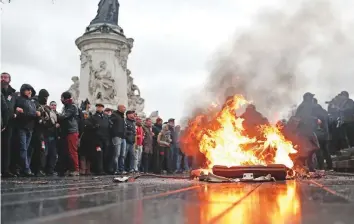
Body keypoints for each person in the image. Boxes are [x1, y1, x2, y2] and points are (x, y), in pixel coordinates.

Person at [14, 84, 40, 176]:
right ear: (23, 91)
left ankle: (24, 168)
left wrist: (37, 114)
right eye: (27, 90)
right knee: (23, 148)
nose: (30, 91)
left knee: (27, 149)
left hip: (30, 128)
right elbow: (19, 113)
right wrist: (33, 114)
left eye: (30, 90)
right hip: (22, 127)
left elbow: (30, 114)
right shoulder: (19, 100)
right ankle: (26, 168)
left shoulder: (32, 102)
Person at [58, 91, 80, 176]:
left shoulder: (72, 107)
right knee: (67, 151)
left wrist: (57, 116)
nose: (61, 100)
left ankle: (76, 169)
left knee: (72, 151)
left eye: (62, 98)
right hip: (66, 131)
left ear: (65, 98)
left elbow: (64, 116)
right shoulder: (65, 107)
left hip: (72, 131)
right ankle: (70, 168)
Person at [1, 72, 17, 177]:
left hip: (9, 123)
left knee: (6, 147)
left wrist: (14, 113)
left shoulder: (13, 93)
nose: (2, 79)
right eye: (1, 77)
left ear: (9, 80)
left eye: (5, 77)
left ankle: (5, 169)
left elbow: (12, 106)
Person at [313, 98, 333, 170]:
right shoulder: (324, 111)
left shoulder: (314, 112)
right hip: (326, 135)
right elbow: (330, 122)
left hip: (319, 134)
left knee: (318, 151)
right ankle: (330, 167)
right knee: (326, 151)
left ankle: (321, 168)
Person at [91, 103, 110, 174]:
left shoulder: (106, 116)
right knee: (99, 154)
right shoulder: (93, 117)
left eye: (100, 107)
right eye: (98, 107)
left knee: (106, 154)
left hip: (105, 138)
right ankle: (99, 170)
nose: (99, 108)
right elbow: (90, 125)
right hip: (97, 139)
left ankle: (105, 169)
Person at [79, 111, 99, 175]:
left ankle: (88, 170)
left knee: (89, 156)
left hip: (90, 140)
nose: (85, 115)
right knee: (83, 155)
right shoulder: (81, 121)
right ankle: (83, 169)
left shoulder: (91, 121)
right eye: (84, 114)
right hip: (83, 140)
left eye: (87, 114)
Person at [110, 104, 126, 174]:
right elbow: (110, 123)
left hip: (123, 137)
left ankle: (121, 169)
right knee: (117, 154)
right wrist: (115, 132)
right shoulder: (114, 115)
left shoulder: (122, 116)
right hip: (117, 136)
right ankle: (115, 169)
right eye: (123, 107)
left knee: (122, 155)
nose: (125, 108)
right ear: (119, 108)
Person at [46, 101, 60, 175]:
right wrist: (55, 126)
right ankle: (48, 169)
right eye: (52, 105)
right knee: (48, 153)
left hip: (55, 137)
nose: (53, 106)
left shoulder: (57, 114)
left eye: (55, 105)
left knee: (53, 154)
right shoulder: (48, 113)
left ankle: (51, 169)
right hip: (48, 136)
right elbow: (47, 126)